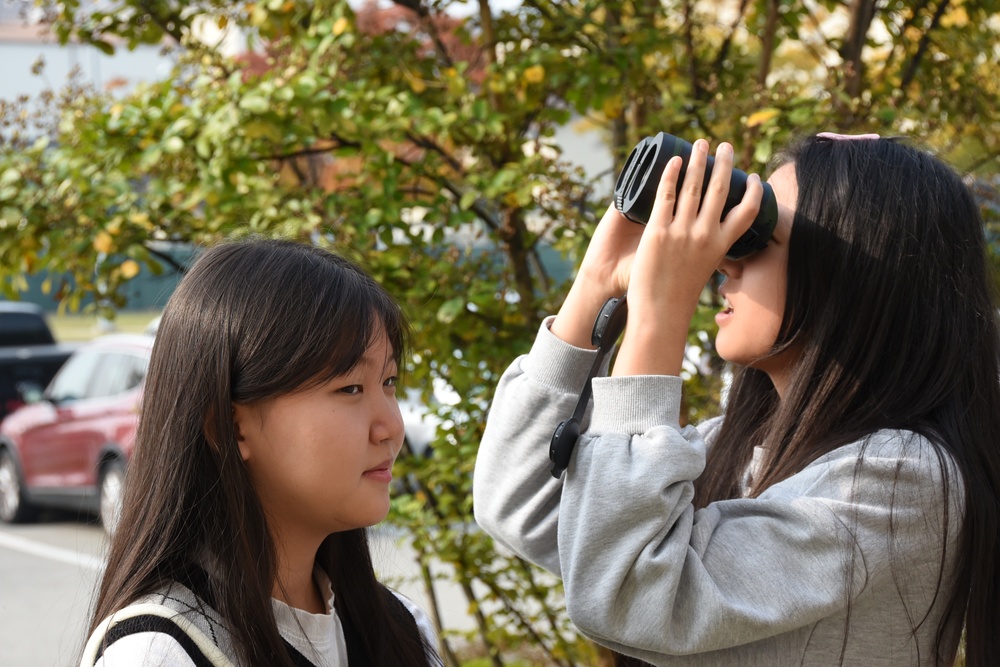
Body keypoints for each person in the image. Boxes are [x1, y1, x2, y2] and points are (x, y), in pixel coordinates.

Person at [473, 134, 1000, 666]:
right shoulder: (737, 448)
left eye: (759, 235)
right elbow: (521, 501)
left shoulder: (901, 482)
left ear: (852, 269)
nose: (724, 260)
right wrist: (597, 280)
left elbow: (629, 593)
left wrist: (658, 313)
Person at [80, 239, 442, 667]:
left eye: (389, 382)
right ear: (230, 427)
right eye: (350, 388)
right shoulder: (160, 653)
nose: (391, 428)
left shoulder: (400, 629)